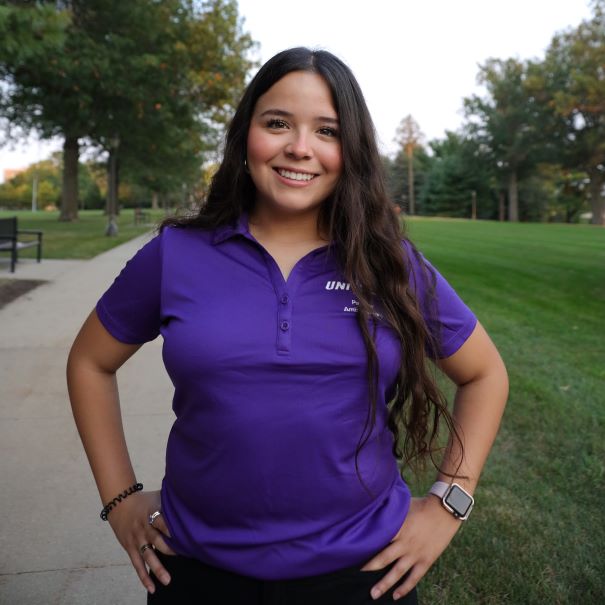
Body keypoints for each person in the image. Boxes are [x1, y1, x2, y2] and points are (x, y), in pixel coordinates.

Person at [67, 47, 508, 604]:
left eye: (327, 130)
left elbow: (485, 374)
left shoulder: (387, 262)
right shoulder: (177, 254)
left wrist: (449, 504)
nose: (300, 147)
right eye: (278, 123)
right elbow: (89, 361)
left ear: (351, 151)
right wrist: (119, 499)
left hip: (364, 575)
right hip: (197, 572)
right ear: (246, 133)